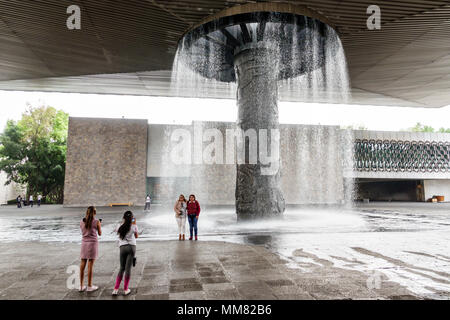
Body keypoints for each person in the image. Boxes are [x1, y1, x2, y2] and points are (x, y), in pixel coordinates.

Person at [112, 211, 139, 296]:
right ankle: (126, 289)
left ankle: (115, 289)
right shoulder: (134, 226)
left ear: (123, 218)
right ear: (132, 218)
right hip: (131, 247)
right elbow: (137, 236)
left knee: (121, 268)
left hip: (122, 248)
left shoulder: (119, 226)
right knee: (128, 269)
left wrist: (123, 223)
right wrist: (134, 223)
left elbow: (117, 232)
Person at [79, 206, 102, 292]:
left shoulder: (81, 221)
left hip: (84, 243)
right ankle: (89, 286)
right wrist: (100, 224)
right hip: (92, 244)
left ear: (87, 212)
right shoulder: (96, 222)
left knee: (82, 264)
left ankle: (81, 286)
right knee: (90, 265)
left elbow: (83, 231)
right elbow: (100, 233)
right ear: (94, 213)